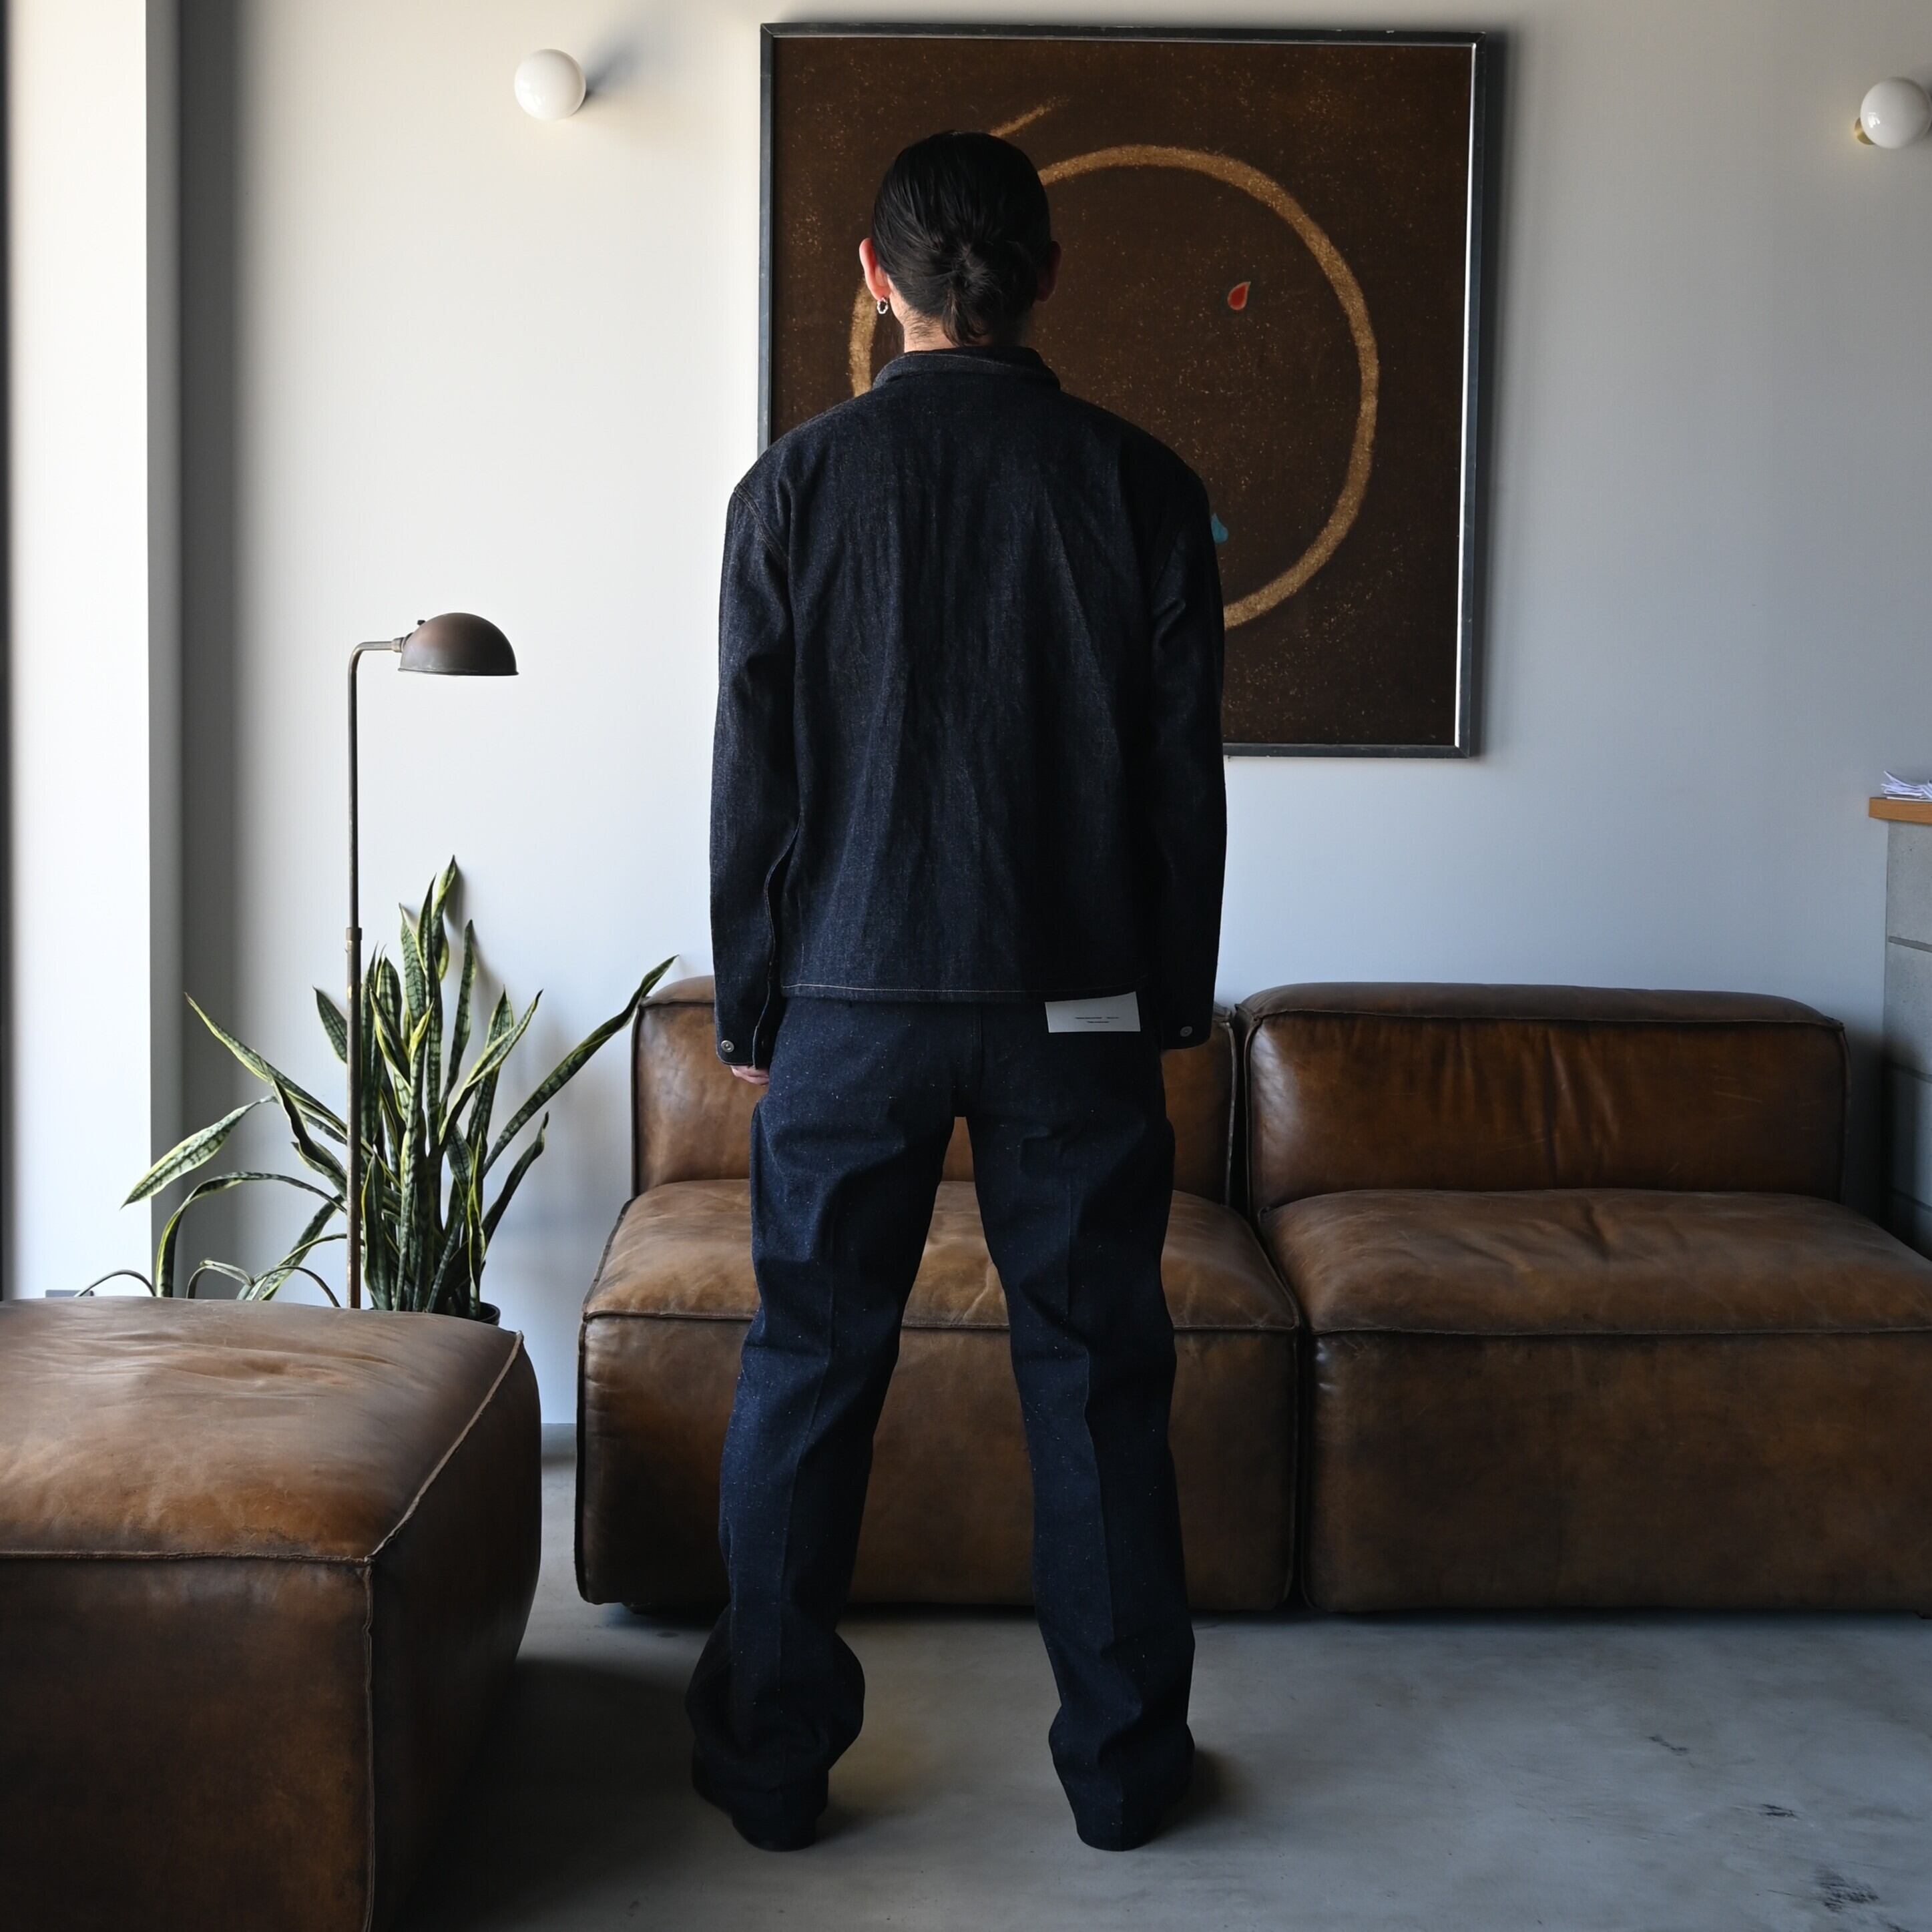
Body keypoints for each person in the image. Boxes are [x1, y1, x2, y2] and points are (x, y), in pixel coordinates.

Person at [690, 129, 1226, 1855]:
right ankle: (1126, 1775)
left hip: (847, 1001)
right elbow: (1181, 786)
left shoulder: (790, 489)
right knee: (1095, 1373)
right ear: (1046, 276)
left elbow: (755, 783)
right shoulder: (1145, 486)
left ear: (877, 277)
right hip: (1077, 1002)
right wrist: (1174, 1001)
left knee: (810, 1365)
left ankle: (771, 1772)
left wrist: (755, 1009)